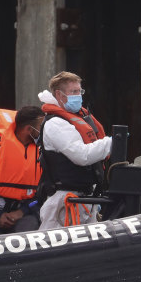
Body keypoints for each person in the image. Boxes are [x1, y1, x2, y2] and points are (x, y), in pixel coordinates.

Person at [37, 71, 112, 230]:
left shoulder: (77, 118)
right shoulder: (56, 123)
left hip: (85, 198)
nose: (78, 96)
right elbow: (82, 156)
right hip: (65, 201)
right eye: (73, 92)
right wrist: (111, 143)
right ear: (59, 94)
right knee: (56, 248)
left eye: (80, 91)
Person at [0, 107, 44, 236]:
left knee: (28, 236)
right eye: (41, 127)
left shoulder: (42, 151)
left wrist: (23, 211)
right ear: (29, 129)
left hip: (25, 212)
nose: (44, 131)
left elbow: (43, 192)